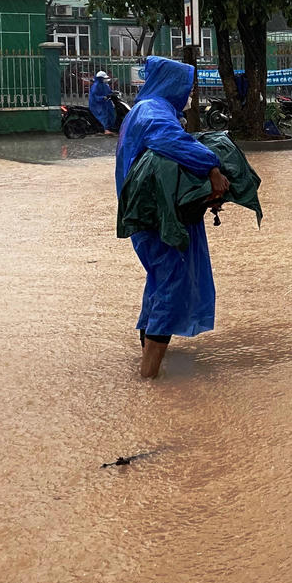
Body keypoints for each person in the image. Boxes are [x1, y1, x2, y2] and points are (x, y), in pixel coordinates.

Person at [116, 57, 229, 379]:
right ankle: (149, 377)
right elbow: (172, 142)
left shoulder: (149, 109)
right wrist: (212, 166)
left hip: (151, 211)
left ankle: (151, 360)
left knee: (160, 279)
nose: (190, 94)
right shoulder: (153, 113)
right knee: (172, 282)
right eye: (188, 87)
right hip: (156, 215)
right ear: (173, 84)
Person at [88, 70, 118, 135]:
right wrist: (103, 97)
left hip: (105, 102)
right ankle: (105, 129)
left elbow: (109, 92)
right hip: (98, 104)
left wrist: (114, 93)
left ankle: (110, 128)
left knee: (111, 114)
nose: (105, 79)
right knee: (104, 115)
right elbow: (95, 96)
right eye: (103, 78)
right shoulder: (96, 86)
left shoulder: (105, 85)